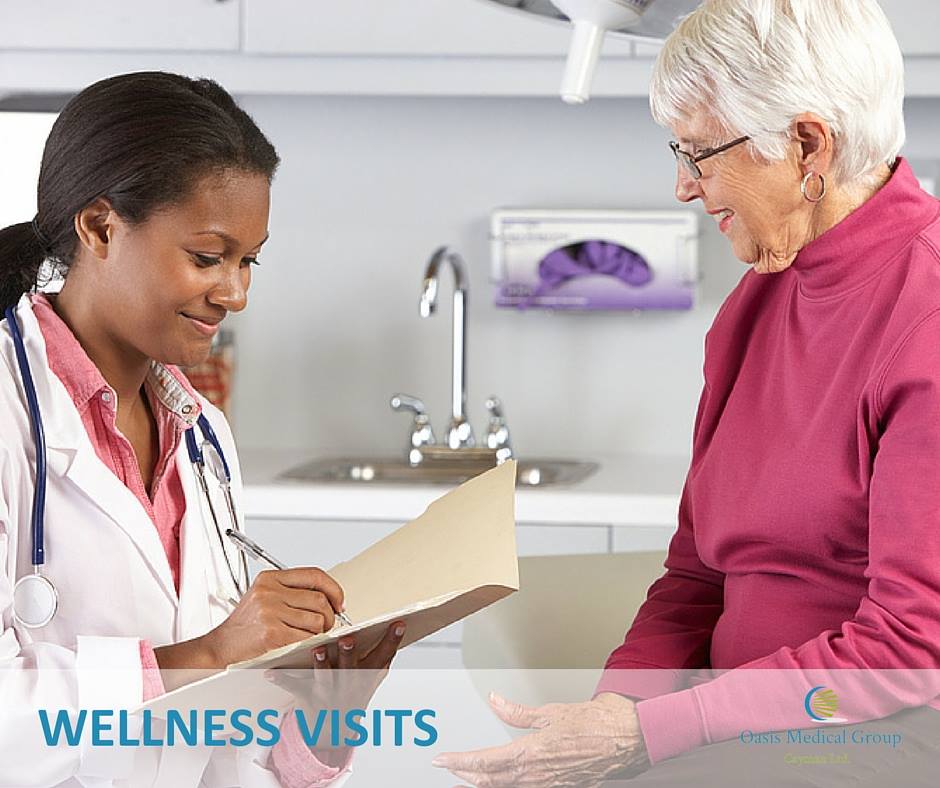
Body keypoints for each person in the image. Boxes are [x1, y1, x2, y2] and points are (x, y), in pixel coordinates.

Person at [434, 1, 940, 785]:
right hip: (741, 722)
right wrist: (616, 710)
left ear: (807, 144)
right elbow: (695, 576)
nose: (683, 186)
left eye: (701, 153)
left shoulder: (926, 315)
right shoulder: (755, 305)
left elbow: (908, 651)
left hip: (882, 727)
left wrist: (655, 732)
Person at [0, 71, 403, 788]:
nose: (236, 293)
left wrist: (327, 717)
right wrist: (213, 653)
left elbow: (225, 744)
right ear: (100, 227)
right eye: (208, 257)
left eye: (249, 261)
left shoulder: (203, 438)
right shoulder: (10, 411)